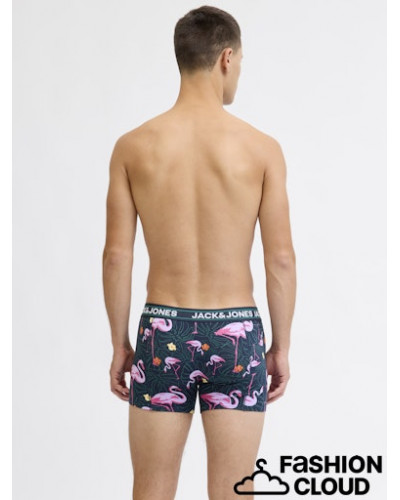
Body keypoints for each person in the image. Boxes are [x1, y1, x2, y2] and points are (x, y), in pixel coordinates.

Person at [102, 5, 296, 500]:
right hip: (237, 336)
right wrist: (281, 346)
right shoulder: (262, 149)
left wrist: (120, 343)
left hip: (161, 331)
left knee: (151, 487)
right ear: (226, 58)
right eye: (241, 62)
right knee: (234, 490)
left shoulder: (132, 147)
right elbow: (280, 259)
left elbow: (117, 256)